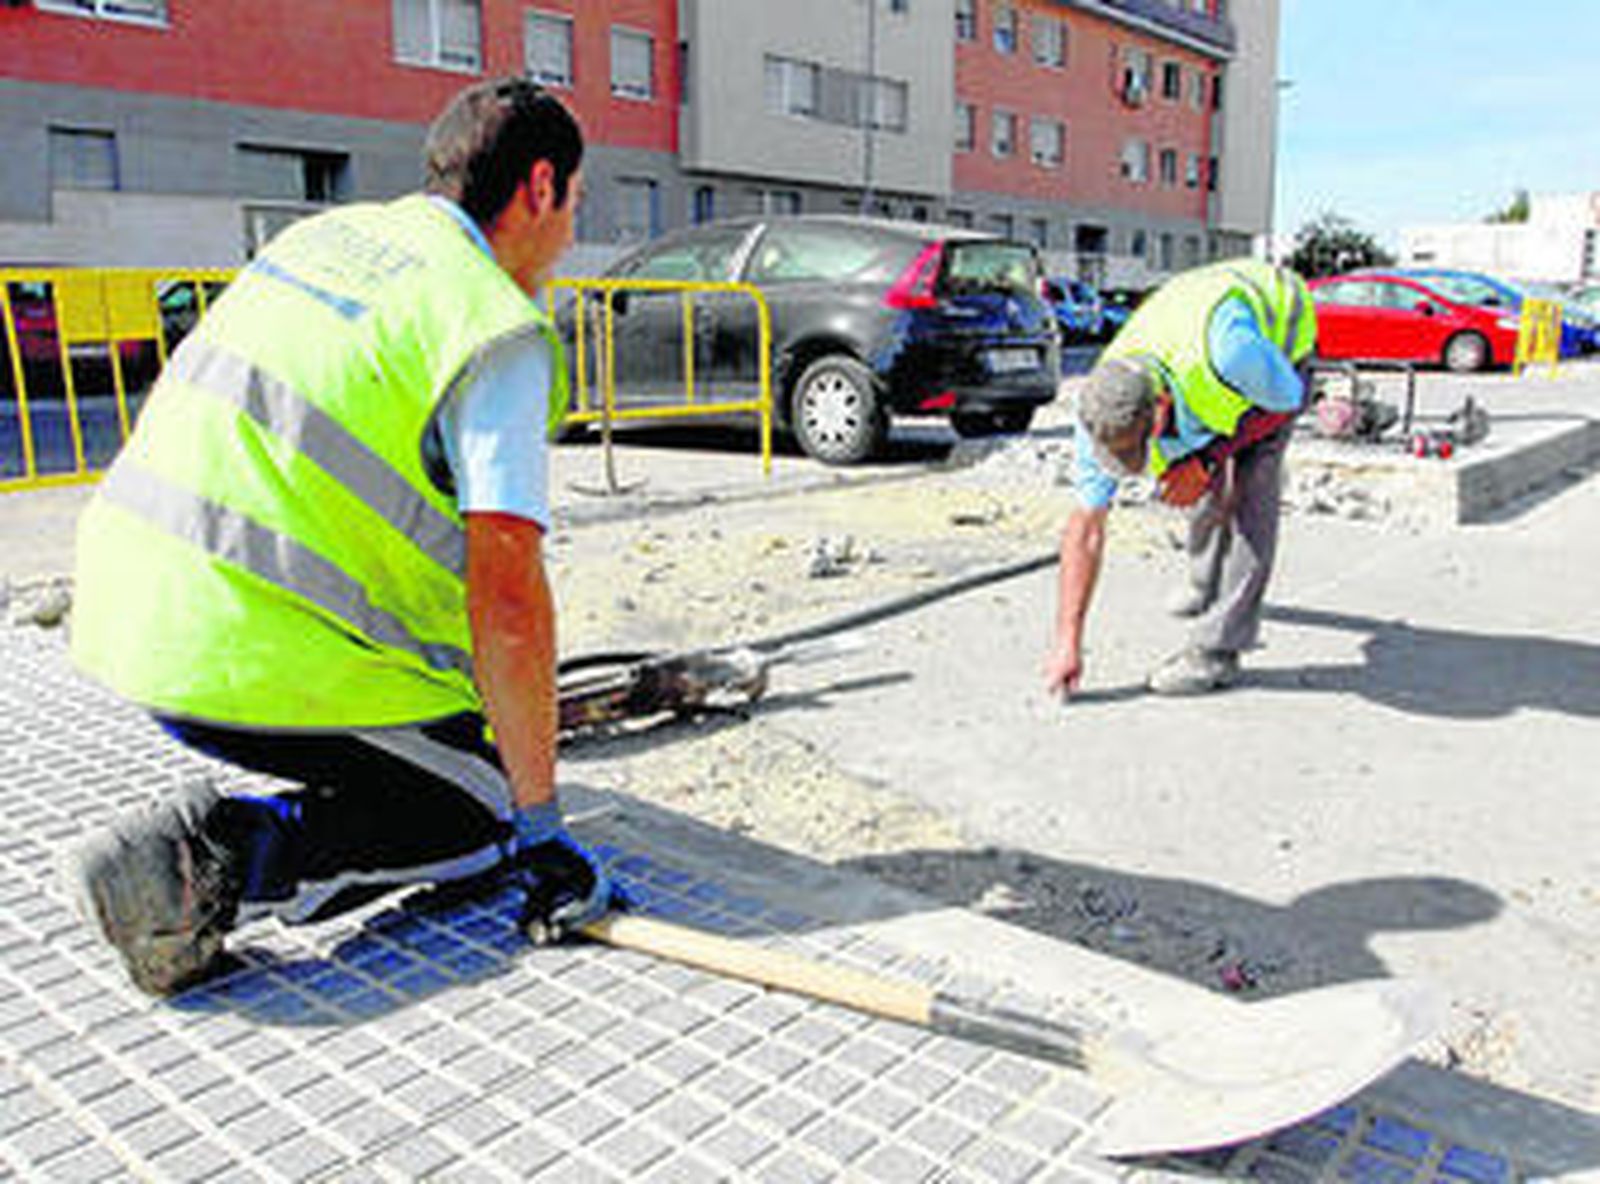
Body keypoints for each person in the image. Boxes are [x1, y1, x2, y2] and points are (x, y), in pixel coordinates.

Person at [64, 79, 615, 995]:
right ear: (541, 187)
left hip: (126, 611)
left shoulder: (322, 240)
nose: (568, 235)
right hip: (244, 658)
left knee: (456, 750)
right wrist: (543, 823)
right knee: (480, 812)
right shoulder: (492, 326)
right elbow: (509, 598)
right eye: (576, 205)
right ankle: (206, 866)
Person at [1045, 258, 1316, 699]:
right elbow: (1086, 529)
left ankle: (1217, 650)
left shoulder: (1231, 355)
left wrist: (1207, 459)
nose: (1134, 464)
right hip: (1194, 324)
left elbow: (1287, 401)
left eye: (1138, 447)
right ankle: (1204, 584)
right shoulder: (1100, 406)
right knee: (1192, 478)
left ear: (1162, 406)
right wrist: (1067, 640)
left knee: (1250, 497)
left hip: (1278, 343)